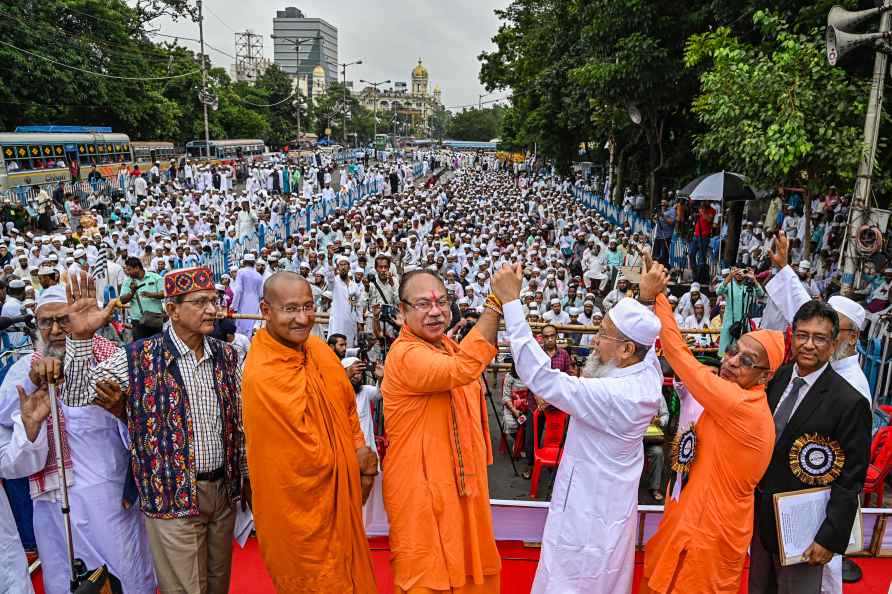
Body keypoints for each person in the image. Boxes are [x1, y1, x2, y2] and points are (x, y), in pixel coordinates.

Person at [57, 269, 249, 594]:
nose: (213, 310)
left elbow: (239, 424)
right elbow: (75, 395)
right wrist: (80, 339)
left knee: (218, 586)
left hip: (223, 493)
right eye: (200, 302)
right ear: (171, 309)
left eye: (214, 301)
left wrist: (245, 476)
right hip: (170, 495)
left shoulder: (228, 356)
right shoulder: (138, 357)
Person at [491, 263, 663, 594]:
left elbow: (540, 377)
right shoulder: (645, 365)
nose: (595, 341)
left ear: (626, 350)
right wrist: (643, 299)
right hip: (597, 501)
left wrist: (512, 302)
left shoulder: (616, 395)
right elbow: (643, 334)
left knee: (577, 579)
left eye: (603, 335)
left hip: (590, 513)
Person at [0, 283, 155, 594]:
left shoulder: (112, 359)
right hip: (52, 506)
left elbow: (146, 430)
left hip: (109, 501)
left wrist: (121, 410)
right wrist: (32, 387)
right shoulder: (23, 370)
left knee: (122, 577)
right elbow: (7, 424)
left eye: (64, 319)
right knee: (63, 580)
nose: (56, 329)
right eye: (46, 322)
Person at [638, 254, 779, 594]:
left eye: (747, 361)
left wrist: (656, 296)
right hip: (688, 515)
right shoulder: (734, 392)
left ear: (766, 375)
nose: (731, 362)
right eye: (733, 351)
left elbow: (680, 357)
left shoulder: (741, 404)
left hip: (710, 531)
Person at [241, 272, 377, 593]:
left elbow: (345, 405)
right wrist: (350, 465)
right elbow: (303, 455)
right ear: (265, 310)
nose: (302, 319)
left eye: (308, 307)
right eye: (290, 309)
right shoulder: (262, 373)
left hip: (339, 499)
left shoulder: (318, 349)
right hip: (300, 512)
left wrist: (359, 448)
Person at [381, 269, 502, 593]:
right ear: (402, 312)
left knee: (465, 565)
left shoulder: (445, 344)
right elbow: (463, 369)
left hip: (459, 482)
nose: (435, 311)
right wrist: (495, 304)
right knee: (426, 573)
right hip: (420, 486)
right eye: (423, 304)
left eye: (442, 302)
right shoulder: (407, 354)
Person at [749, 300, 871, 594]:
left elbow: (851, 478)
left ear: (833, 344)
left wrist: (830, 538)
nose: (808, 344)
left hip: (803, 532)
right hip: (761, 521)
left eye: (819, 338)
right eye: (802, 335)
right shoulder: (777, 378)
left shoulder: (849, 402)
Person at [119, 256, 165, 340]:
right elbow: (122, 300)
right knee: (140, 349)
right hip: (138, 322)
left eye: (129, 269)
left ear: (136, 268)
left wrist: (150, 294)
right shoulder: (127, 281)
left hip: (155, 319)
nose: (127, 272)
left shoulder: (155, 277)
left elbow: (164, 294)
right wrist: (132, 292)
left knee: (157, 346)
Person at [231, 253, 263, 337]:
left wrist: (234, 305)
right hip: (255, 305)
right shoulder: (259, 276)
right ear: (254, 263)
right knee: (251, 330)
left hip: (243, 304)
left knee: (240, 331)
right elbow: (261, 294)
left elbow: (238, 290)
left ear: (244, 262)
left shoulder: (241, 272)